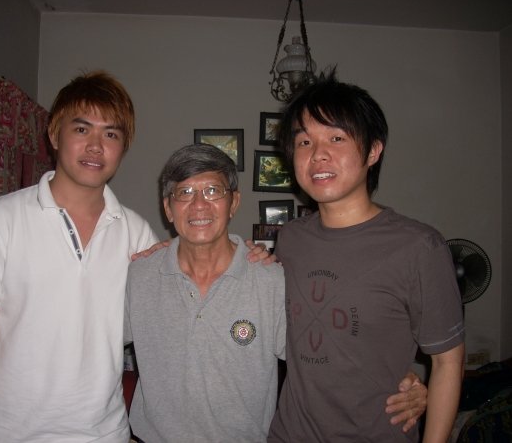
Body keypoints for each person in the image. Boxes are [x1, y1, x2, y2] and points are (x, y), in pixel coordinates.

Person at [124, 144, 429, 442]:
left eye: (213, 191)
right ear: (168, 208)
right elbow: (101, 344)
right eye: (185, 192)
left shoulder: (272, 281)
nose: (199, 204)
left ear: (234, 203)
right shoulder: (139, 276)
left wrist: (397, 380)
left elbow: (323, 360)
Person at [0, 71, 158, 442]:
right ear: (54, 134)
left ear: (123, 148)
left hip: (104, 433)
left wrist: (247, 256)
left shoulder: (136, 232)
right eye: (81, 129)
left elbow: (181, 295)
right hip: (10, 434)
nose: (96, 146)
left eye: (111, 134)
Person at [267, 70, 465, 442]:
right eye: (305, 141)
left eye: (336, 138)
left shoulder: (419, 247)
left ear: (373, 150)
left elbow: (448, 362)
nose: (318, 154)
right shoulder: (290, 238)